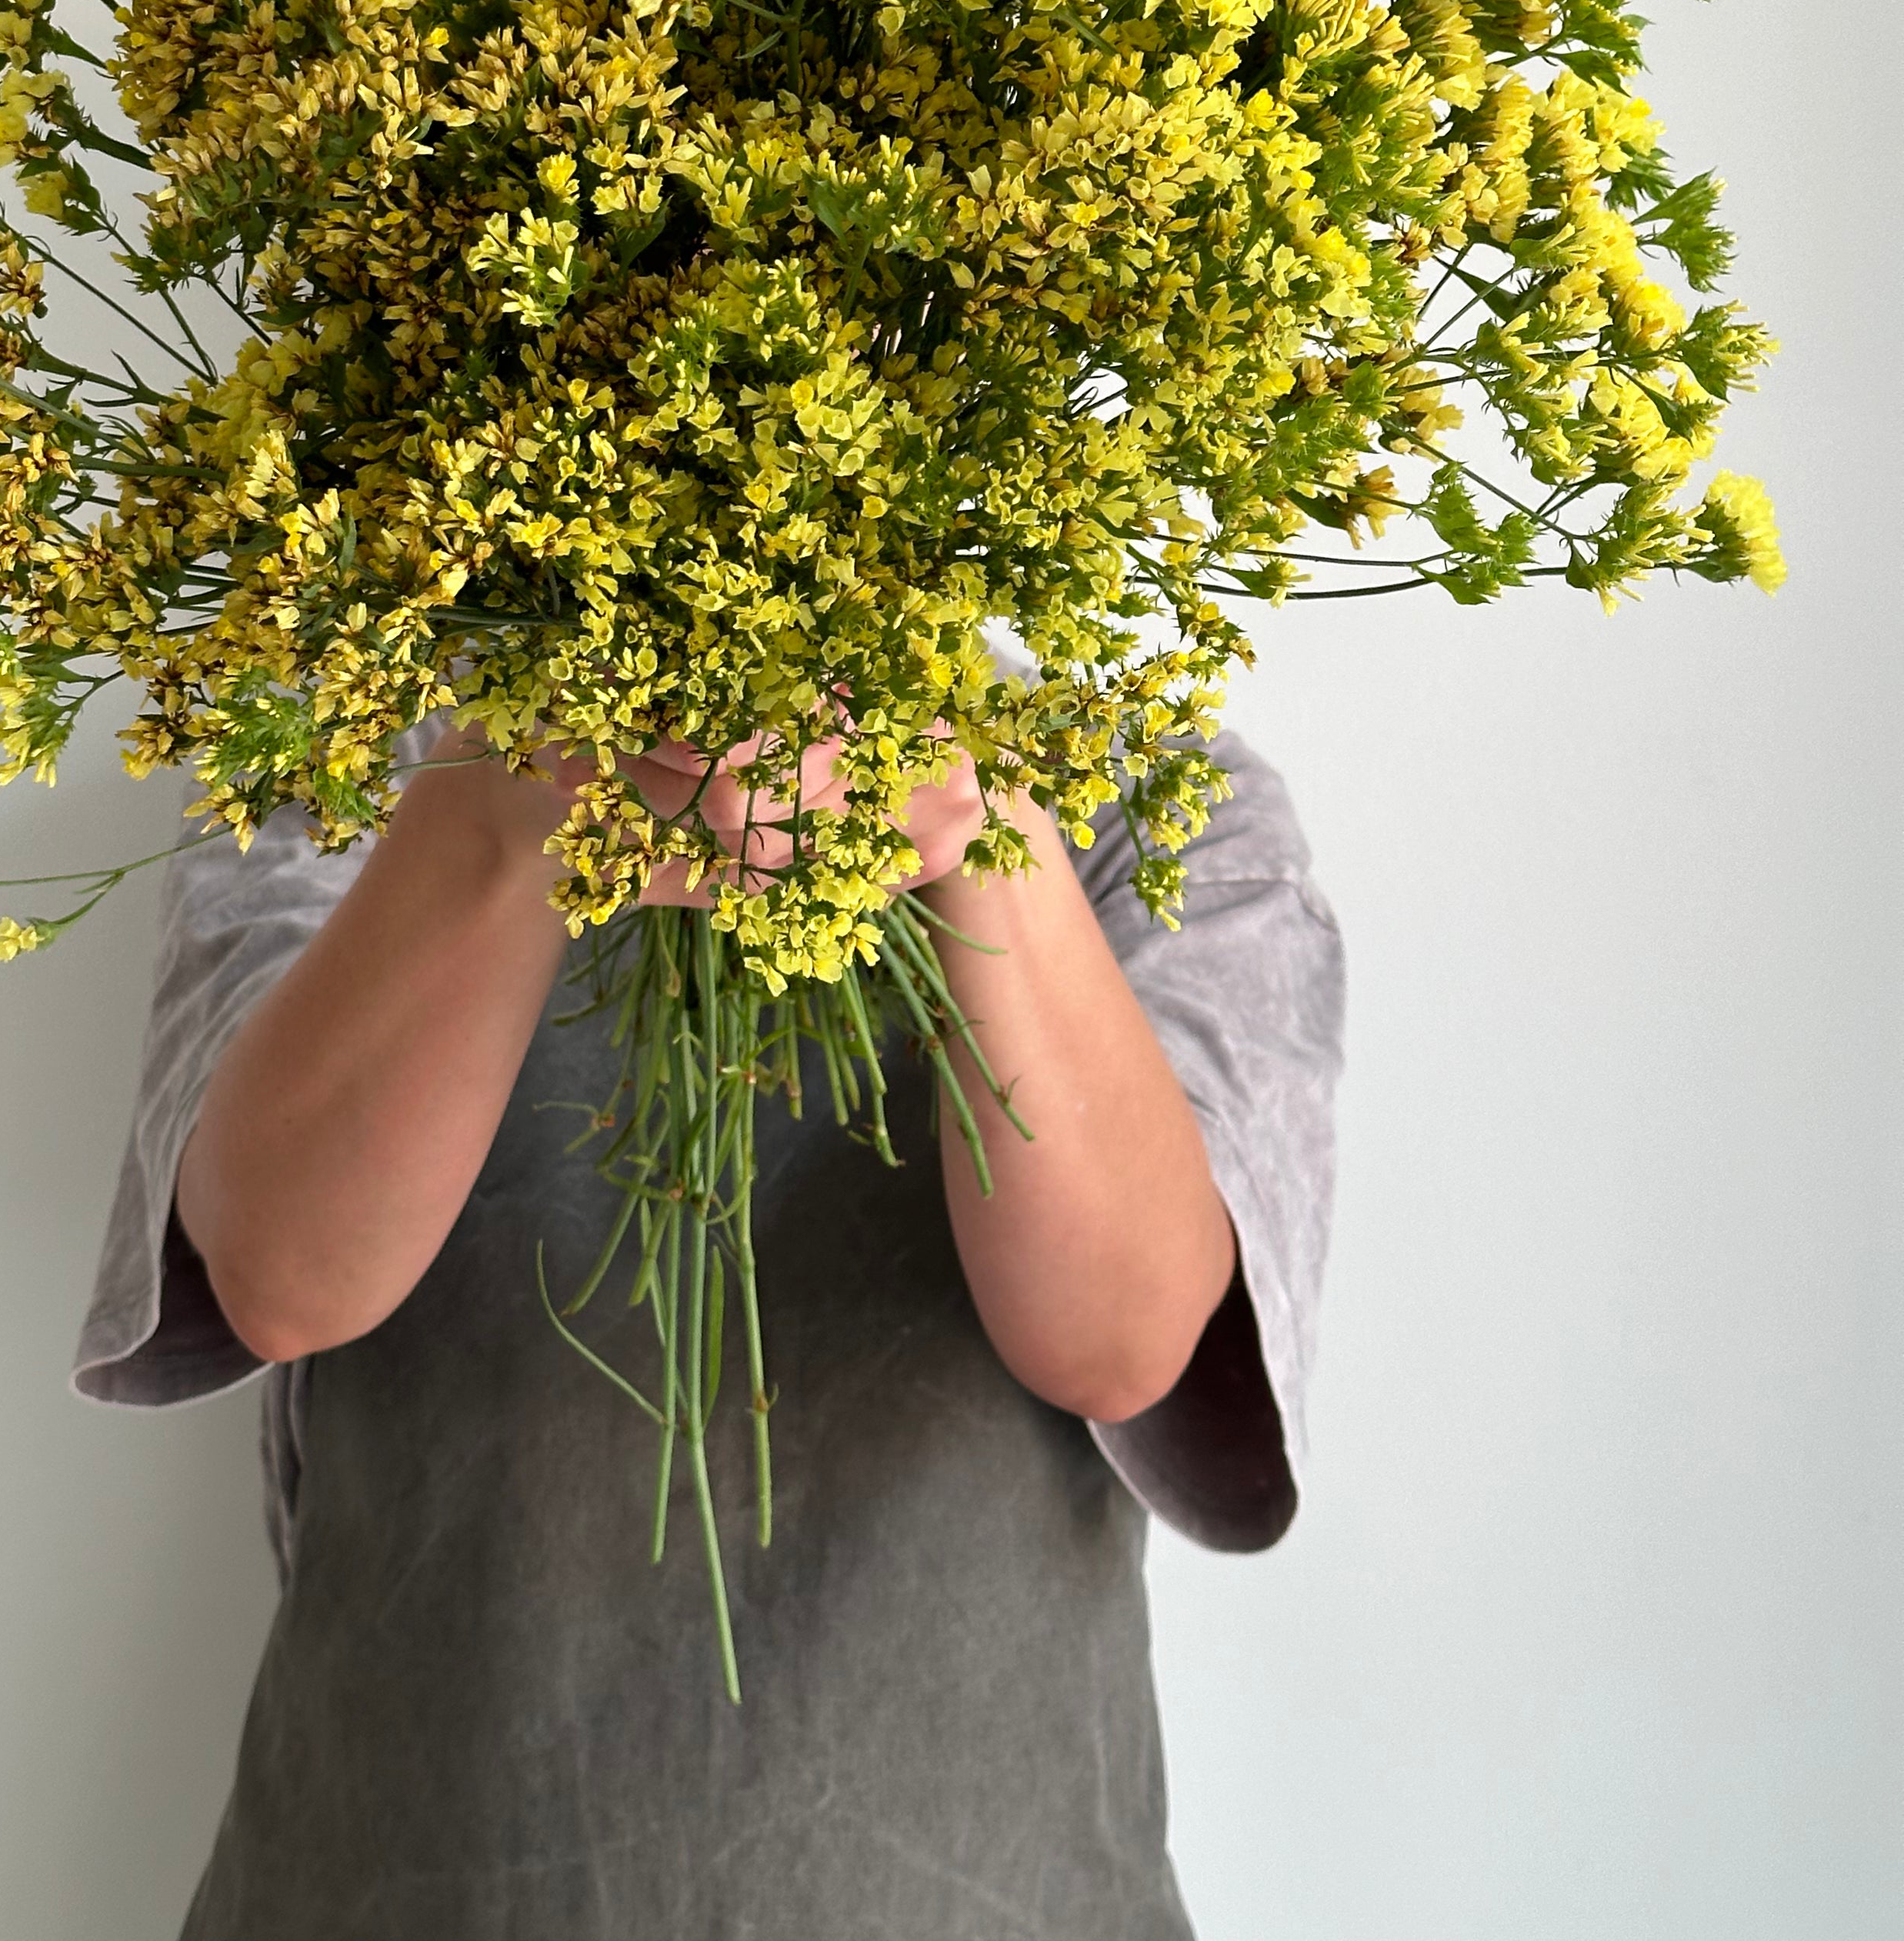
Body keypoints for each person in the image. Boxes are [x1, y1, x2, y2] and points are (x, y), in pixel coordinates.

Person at [74, 630, 1345, 1939]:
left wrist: (979, 823)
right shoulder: (347, 742)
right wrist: (512, 799)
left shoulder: (1152, 796)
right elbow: (284, 1275)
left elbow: (1121, 1338)